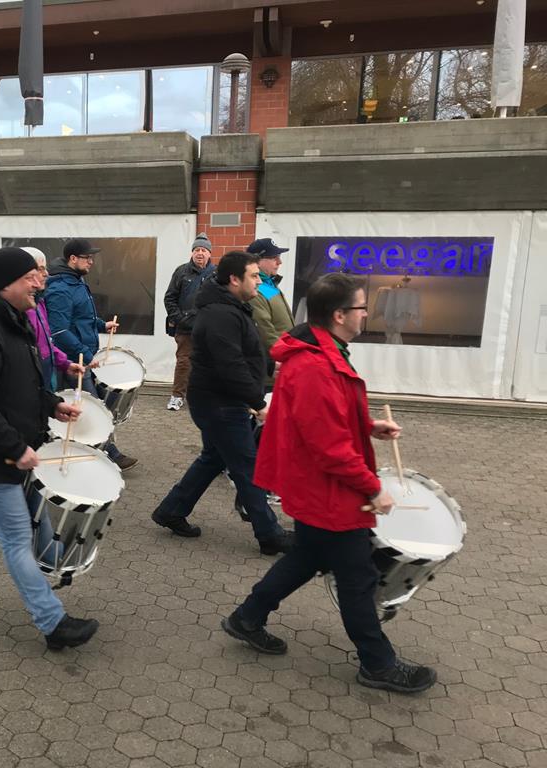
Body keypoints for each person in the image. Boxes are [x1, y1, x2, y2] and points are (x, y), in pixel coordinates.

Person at [222, 273, 437, 694]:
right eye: (361, 307)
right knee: (357, 579)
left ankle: (247, 618)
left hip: (318, 486)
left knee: (305, 557)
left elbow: (326, 421)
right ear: (339, 315)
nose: (365, 314)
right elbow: (329, 447)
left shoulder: (324, 353)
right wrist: (372, 488)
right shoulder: (315, 366)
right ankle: (378, 664)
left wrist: (367, 426)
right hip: (326, 490)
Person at [0, 247, 99, 651]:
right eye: (31, 277)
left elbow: (22, 382)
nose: (40, 283)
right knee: (16, 537)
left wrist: (52, 405)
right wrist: (15, 447)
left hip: (11, 446)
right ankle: (52, 622)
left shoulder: (15, 318)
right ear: (6, 283)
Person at [150, 251, 292, 555]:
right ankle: (270, 535)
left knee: (213, 458)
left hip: (219, 400)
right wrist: (258, 403)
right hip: (219, 403)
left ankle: (171, 510)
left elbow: (245, 350)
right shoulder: (220, 314)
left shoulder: (232, 307)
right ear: (234, 280)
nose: (259, 281)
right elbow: (230, 364)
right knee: (246, 465)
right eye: (253, 276)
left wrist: (271, 366)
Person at [44, 238, 136, 470]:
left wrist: (101, 325)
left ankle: (88, 450)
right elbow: (59, 331)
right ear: (73, 259)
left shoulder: (76, 281)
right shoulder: (60, 288)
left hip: (82, 358)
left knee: (84, 408)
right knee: (93, 407)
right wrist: (85, 353)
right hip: (73, 361)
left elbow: (81, 318)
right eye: (87, 257)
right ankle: (109, 453)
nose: (92, 261)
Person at [164, 233, 215, 411]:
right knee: (184, 362)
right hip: (185, 327)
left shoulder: (216, 273)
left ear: (209, 253)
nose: (200, 253)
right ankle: (177, 396)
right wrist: (179, 319)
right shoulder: (181, 271)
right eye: (196, 250)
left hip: (207, 328)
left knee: (206, 363)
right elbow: (170, 298)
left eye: (203, 250)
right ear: (192, 253)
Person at [22, 247, 83, 391]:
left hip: (46, 382)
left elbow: (45, 344)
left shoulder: (39, 303)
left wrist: (65, 363)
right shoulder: (21, 310)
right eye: (40, 269)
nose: (46, 274)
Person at [246, 238, 293, 382]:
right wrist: (290, 356)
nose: (279, 262)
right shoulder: (255, 290)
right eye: (274, 257)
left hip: (281, 366)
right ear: (257, 261)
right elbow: (264, 331)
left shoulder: (269, 286)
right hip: (271, 372)